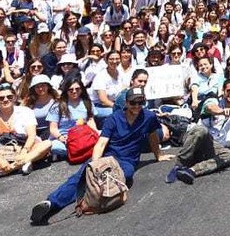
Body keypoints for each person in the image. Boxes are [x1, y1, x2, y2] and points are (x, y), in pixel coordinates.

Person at [30, 87, 173, 225]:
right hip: (107, 155)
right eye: (133, 102)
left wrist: (158, 155)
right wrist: (95, 164)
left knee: (123, 175)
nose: (137, 106)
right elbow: (101, 143)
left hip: (127, 161)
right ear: (126, 103)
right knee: (81, 176)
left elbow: (153, 136)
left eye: (140, 102)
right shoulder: (113, 118)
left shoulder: (149, 117)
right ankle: (51, 204)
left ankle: (89, 196)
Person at [167, 78, 230, 184]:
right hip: (196, 139)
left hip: (214, 144)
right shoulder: (213, 99)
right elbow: (210, 108)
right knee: (201, 130)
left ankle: (192, 171)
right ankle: (179, 165)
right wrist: (222, 112)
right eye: (229, 91)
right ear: (223, 91)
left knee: (228, 155)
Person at [47, 77, 98, 161]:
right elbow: (53, 128)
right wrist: (60, 137)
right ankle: (84, 151)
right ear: (66, 91)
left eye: (77, 89)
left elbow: (90, 121)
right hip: (64, 138)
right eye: (71, 90)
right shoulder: (58, 105)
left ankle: (77, 152)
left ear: (81, 89)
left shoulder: (87, 102)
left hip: (83, 136)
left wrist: (95, 133)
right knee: (54, 146)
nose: (74, 91)